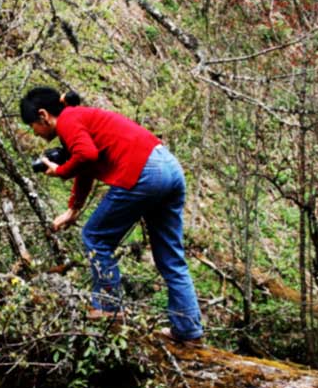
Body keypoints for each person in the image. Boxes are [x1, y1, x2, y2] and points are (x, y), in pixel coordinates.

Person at [20, 86, 204, 344]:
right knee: (171, 258)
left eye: (32, 126)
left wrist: (60, 171)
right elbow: (86, 166)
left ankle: (108, 307)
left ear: (43, 116)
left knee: (95, 237)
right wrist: (73, 209)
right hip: (169, 168)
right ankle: (188, 332)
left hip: (145, 172)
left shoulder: (69, 120)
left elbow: (86, 155)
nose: (35, 133)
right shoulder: (80, 117)